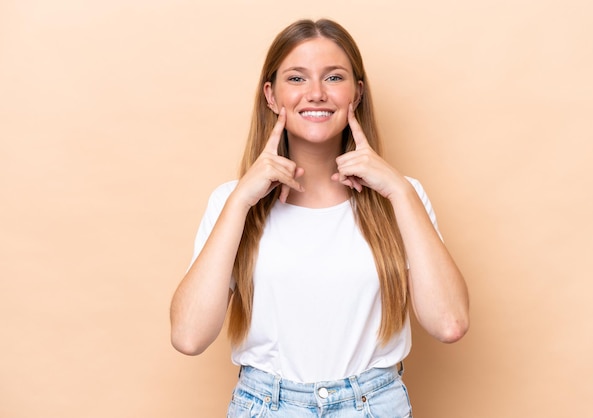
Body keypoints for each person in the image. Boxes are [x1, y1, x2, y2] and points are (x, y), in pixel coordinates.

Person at [170, 18, 469, 417]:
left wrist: (399, 191)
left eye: (333, 78)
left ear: (356, 94)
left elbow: (449, 323)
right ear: (271, 95)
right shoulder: (231, 202)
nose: (315, 94)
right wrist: (242, 200)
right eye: (296, 78)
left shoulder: (401, 197)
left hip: (374, 405)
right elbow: (189, 336)